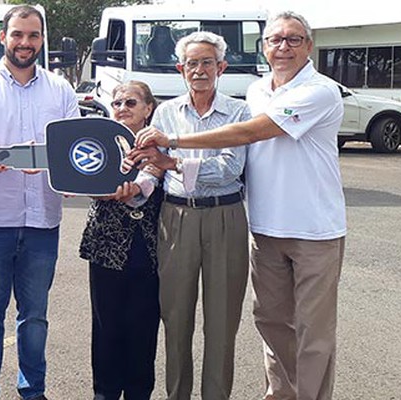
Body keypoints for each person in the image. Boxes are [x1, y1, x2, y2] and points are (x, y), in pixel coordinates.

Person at [133, 11, 346, 400]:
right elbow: (154, 167)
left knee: (306, 333)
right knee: (270, 323)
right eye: (275, 40)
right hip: (262, 228)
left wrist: (175, 152)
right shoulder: (258, 91)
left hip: (309, 228)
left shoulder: (316, 91)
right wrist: (141, 179)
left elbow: (241, 150)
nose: (283, 47)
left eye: (293, 39)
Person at [0, 5, 80, 400]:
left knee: (35, 317)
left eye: (32, 36)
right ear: (3, 37)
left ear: (42, 39)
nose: (25, 43)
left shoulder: (60, 89)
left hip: (43, 218)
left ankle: (33, 391)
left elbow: (73, 150)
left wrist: (48, 164)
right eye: (17, 35)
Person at [129, 31, 250, 400]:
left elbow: (231, 168)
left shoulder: (239, 112)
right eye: (192, 63)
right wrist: (138, 185)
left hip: (225, 216)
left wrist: (174, 162)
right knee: (176, 317)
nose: (199, 71)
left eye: (207, 62)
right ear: (181, 69)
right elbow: (154, 166)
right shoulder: (165, 112)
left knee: (222, 321)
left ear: (221, 68)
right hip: (176, 218)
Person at [79, 81, 167, 400]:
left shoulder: (161, 144)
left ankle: (138, 394)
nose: (122, 108)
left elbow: (160, 176)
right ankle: (104, 393)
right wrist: (108, 191)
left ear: (148, 109)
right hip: (106, 247)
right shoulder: (99, 143)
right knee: (106, 328)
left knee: (143, 330)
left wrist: (140, 185)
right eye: (116, 103)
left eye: (131, 102)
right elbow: (82, 181)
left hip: (151, 248)